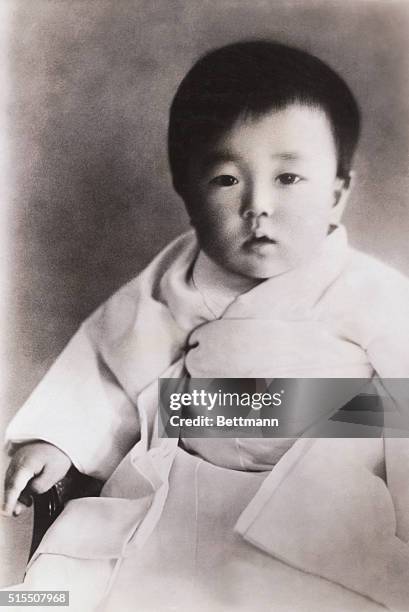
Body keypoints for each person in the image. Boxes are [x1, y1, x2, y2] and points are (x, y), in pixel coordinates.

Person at [2, 41, 409, 611]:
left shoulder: (371, 291)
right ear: (188, 195)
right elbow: (109, 358)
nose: (258, 205)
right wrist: (60, 438)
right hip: (182, 489)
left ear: (338, 194)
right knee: (89, 585)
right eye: (225, 179)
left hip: (314, 505)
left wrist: (315, 412)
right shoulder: (181, 273)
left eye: (289, 177)